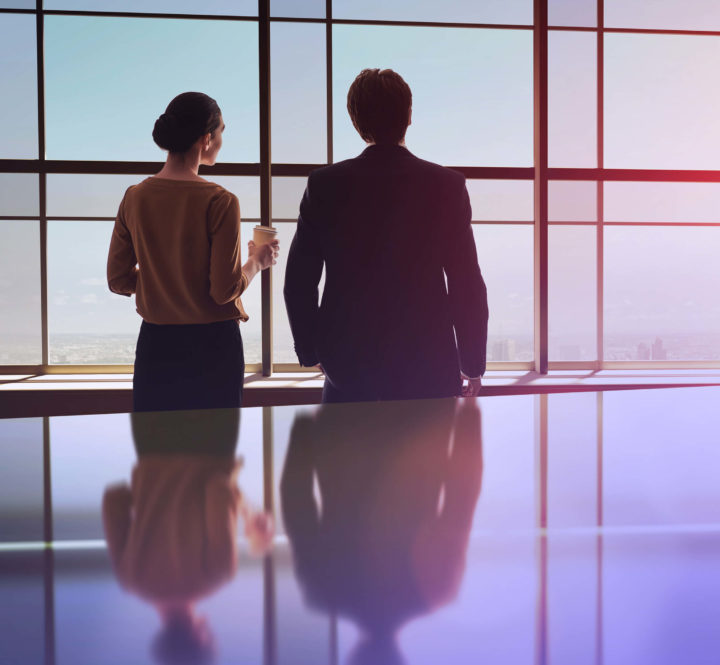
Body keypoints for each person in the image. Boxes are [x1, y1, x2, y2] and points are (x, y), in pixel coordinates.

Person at [284, 68, 488, 403]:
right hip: (430, 365)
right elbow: (466, 281)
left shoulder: (326, 184)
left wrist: (310, 349)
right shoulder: (446, 186)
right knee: (427, 457)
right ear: (409, 116)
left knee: (348, 455)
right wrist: (472, 362)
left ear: (356, 121)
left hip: (348, 365)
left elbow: (300, 279)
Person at [107, 91, 279, 412]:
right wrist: (256, 261)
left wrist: (164, 281)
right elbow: (223, 290)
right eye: (221, 132)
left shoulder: (135, 197)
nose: (222, 141)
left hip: (156, 346)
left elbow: (117, 279)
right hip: (212, 348)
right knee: (215, 452)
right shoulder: (220, 200)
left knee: (156, 452)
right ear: (205, 139)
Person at [280, 398, 483, 665]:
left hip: (424, 412)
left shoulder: (438, 590)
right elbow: (296, 499)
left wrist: (469, 421)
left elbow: (461, 495)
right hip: (347, 418)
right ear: (354, 657)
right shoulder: (321, 589)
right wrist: (304, 429)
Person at [102, 408, 274, 665]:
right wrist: (150, 491)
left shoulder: (218, 575)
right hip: (152, 442)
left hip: (210, 442)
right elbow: (114, 499)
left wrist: (249, 518)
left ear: (202, 638)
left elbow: (218, 489)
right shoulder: (130, 580)